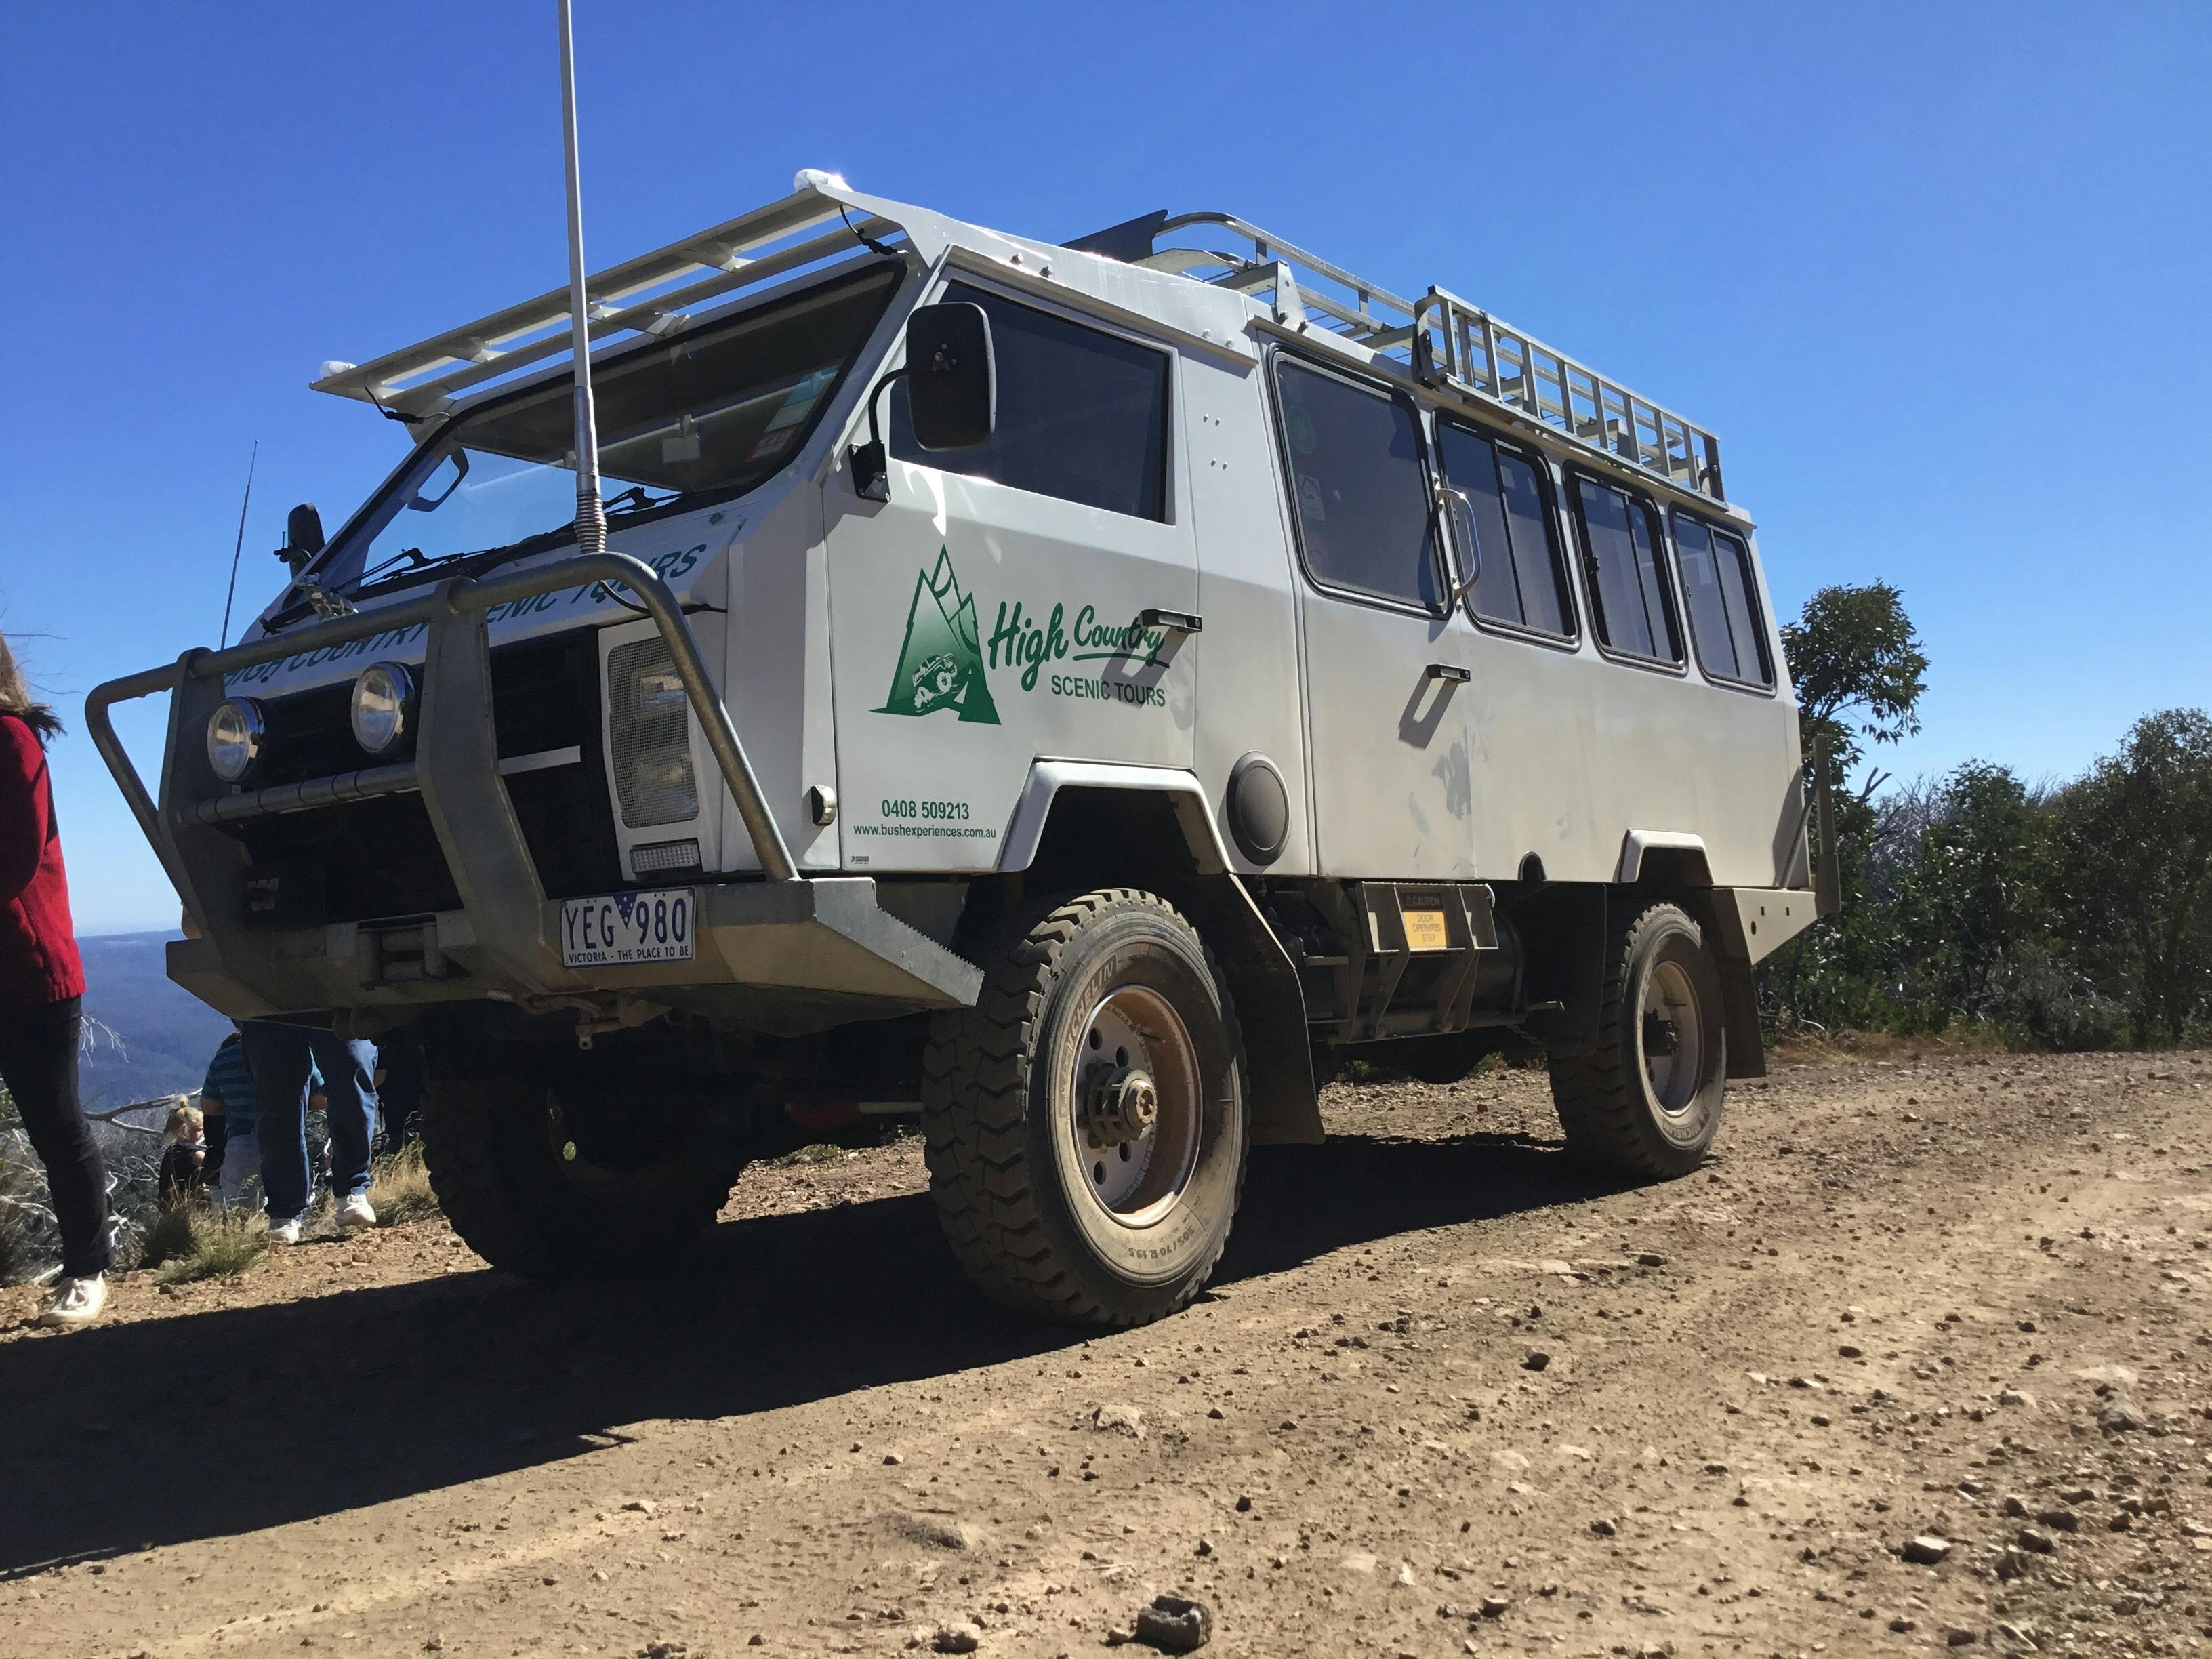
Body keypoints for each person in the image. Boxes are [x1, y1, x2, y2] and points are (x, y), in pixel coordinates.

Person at [0, 633, 111, 1328]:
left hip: (29, 969)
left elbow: (16, 854)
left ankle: (87, 1271)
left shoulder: (12, 740)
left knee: (55, 1122)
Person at [238, 1020, 376, 1244]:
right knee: (276, 1104)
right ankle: (285, 1212)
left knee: (353, 1075)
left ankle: (353, 1189)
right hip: (268, 999)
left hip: (336, 993)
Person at [199, 1027, 264, 1207]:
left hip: (241, 1141)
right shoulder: (292, 1050)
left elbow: (209, 1107)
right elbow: (321, 1099)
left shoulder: (223, 1060)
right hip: (287, 1137)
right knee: (289, 1210)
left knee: (242, 1209)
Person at [155, 1102, 207, 1208]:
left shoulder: (172, 1151)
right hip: (185, 1208)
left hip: (167, 1208)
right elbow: (215, 1165)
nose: (202, 1134)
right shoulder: (190, 1151)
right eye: (198, 1130)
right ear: (186, 1130)